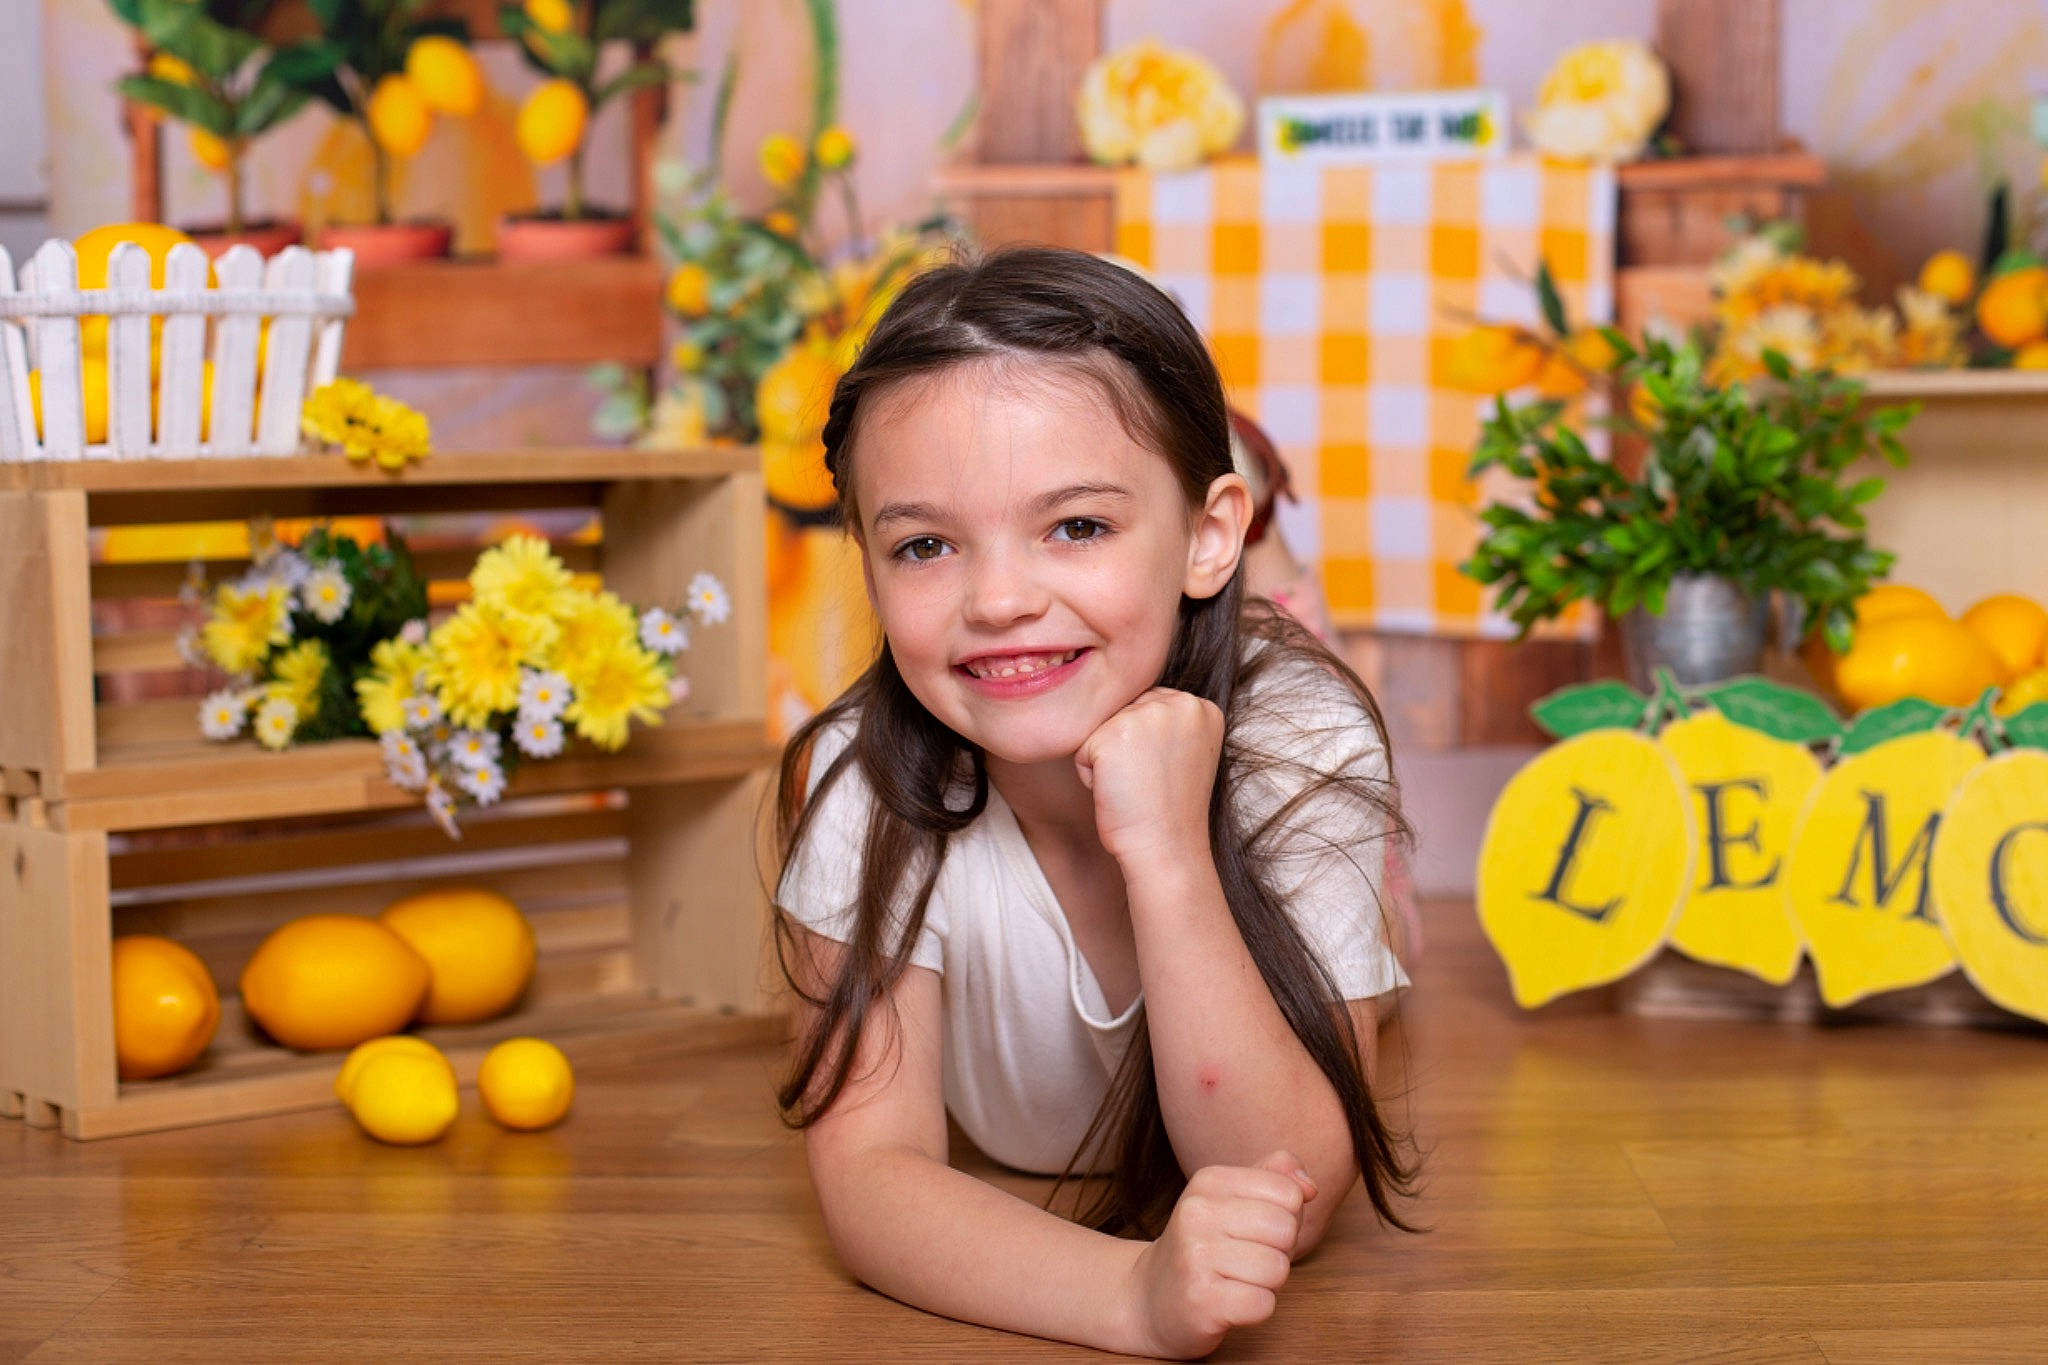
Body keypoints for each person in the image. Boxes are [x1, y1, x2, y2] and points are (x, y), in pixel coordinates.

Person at [771, 245, 1418, 1359]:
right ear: (866, 571)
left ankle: (1381, 951)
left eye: (1076, 526)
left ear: (1209, 536)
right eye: (924, 545)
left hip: (1263, 824)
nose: (1000, 599)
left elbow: (1291, 1197)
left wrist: (1166, 853)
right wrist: (1130, 1294)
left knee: (1365, 961)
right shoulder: (858, 779)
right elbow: (871, 1180)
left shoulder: (1301, 740)